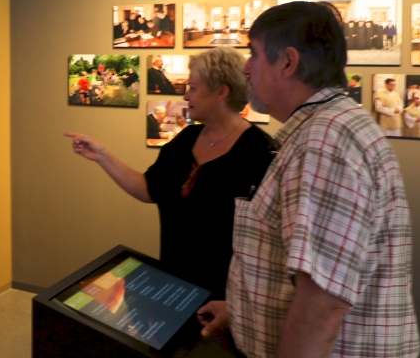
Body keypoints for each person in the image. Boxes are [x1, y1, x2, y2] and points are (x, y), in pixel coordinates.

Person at [197, 1, 418, 358]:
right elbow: (313, 271)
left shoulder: (323, 144)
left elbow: (322, 308)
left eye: (254, 54)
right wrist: (246, 310)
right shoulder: (323, 129)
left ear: (288, 62)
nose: (247, 67)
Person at [65, 47, 274, 293]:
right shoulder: (186, 139)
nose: (186, 96)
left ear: (221, 92)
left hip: (225, 296)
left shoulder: (260, 151)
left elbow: (266, 242)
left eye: (193, 88)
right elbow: (149, 189)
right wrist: (102, 156)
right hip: (174, 282)